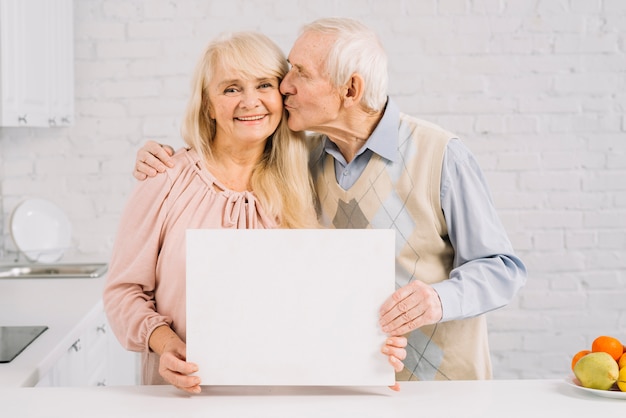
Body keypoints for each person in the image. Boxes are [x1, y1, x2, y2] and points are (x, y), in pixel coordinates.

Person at [134, 18, 527, 382]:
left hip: (441, 387)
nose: (285, 85)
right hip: (348, 382)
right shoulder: (299, 162)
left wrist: (438, 299)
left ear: (350, 90)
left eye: (300, 73)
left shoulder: (440, 154)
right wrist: (165, 158)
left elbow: (502, 268)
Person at [104, 30, 408, 394]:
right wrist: (165, 343)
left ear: (283, 97)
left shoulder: (308, 177)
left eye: (264, 85)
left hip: (284, 398)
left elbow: (331, 295)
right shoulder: (165, 178)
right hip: (186, 397)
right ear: (207, 105)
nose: (250, 101)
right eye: (231, 88)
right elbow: (123, 292)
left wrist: (370, 346)